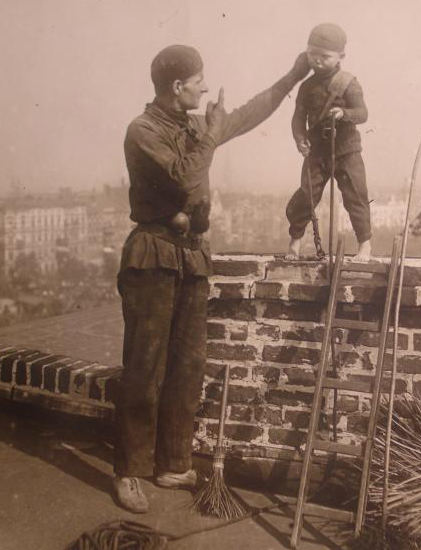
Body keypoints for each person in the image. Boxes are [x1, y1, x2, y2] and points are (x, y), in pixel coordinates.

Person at [114, 44, 310, 513]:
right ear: (177, 86)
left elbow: (245, 115)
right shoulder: (142, 131)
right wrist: (212, 133)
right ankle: (128, 471)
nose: (206, 86)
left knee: (187, 365)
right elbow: (185, 177)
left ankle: (172, 463)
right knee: (144, 369)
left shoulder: (194, 125)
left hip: (191, 257)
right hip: (154, 255)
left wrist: (292, 76)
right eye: (199, 80)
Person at [285, 23, 372, 260]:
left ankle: (365, 246)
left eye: (325, 56)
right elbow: (298, 119)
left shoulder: (348, 83)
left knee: (356, 195)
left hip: (347, 150)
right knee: (307, 195)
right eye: (312, 54)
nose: (317, 61)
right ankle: (295, 242)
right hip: (317, 151)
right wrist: (300, 139)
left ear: (340, 57)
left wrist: (345, 114)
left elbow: (363, 113)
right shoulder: (306, 87)